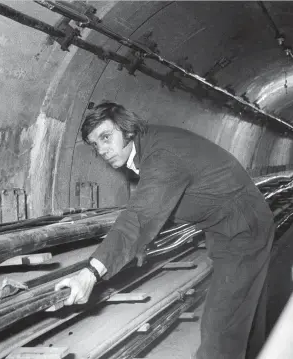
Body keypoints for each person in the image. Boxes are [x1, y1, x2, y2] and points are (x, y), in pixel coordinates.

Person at [55, 101, 275, 359]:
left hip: (241, 229)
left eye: (106, 137)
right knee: (245, 315)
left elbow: (137, 218)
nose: (102, 150)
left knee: (221, 328)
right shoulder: (150, 145)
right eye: (95, 145)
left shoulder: (161, 156)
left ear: (127, 129)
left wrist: (90, 273)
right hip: (233, 222)